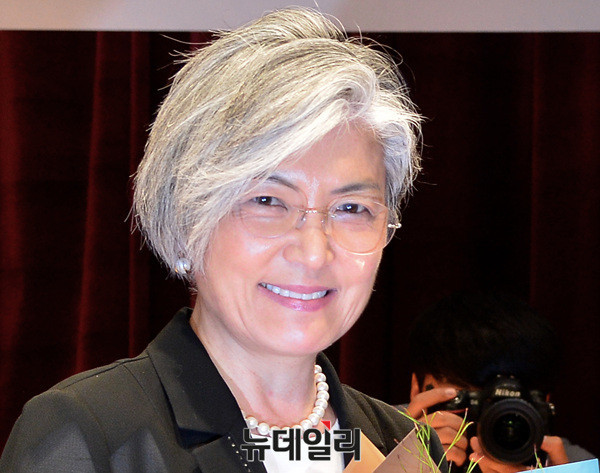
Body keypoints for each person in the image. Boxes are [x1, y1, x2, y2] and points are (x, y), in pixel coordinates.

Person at [0, 8, 446, 473]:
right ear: (187, 219)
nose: (315, 252)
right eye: (268, 201)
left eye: (352, 209)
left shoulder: (405, 446)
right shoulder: (90, 436)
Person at [404, 290, 595, 473]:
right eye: (469, 399)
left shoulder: (574, 466)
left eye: (507, 405)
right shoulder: (386, 444)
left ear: (543, 404)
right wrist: (404, 464)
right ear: (416, 389)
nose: (492, 421)